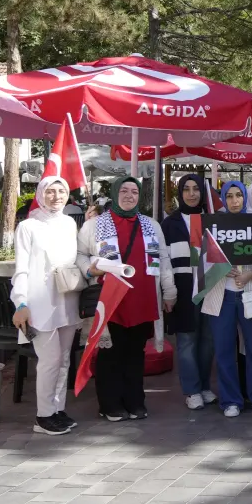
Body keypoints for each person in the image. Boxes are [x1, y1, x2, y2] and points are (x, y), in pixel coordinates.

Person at [77, 176, 176, 422]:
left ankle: (135, 401)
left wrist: (169, 291)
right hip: (111, 299)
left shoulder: (151, 225)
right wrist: (90, 269)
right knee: (111, 353)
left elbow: (163, 259)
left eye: (134, 191)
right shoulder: (95, 225)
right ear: (114, 193)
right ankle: (110, 404)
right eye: (124, 191)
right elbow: (80, 255)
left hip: (143, 298)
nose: (129, 195)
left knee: (135, 352)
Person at [200, 182, 252, 418]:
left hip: (251, 295)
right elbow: (201, 260)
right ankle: (230, 400)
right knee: (224, 351)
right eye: (229, 196)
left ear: (245, 197)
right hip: (221, 296)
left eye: (238, 196)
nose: (234, 201)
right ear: (224, 199)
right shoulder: (213, 225)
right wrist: (220, 269)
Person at [12, 176, 81, 435]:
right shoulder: (28, 227)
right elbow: (21, 268)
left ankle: (57, 409)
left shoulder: (69, 223)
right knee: (49, 360)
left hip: (67, 299)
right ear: (41, 194)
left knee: (64, 359)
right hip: (40, 303)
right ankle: (43, 415)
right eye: (50, 191)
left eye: (61, 191)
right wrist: (21, 302)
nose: (56, 196)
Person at [162, 173, 217, 410]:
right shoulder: (169, 224)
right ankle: (192, 390)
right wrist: (168, 292)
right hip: (183, 290)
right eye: (186, 189)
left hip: (211, 287)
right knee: (186, 341)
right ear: (180, 192)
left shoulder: (213, 220)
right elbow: (164, 261)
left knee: (208, 341)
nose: (192, 194)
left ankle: (204, 386)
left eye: (196, 189)